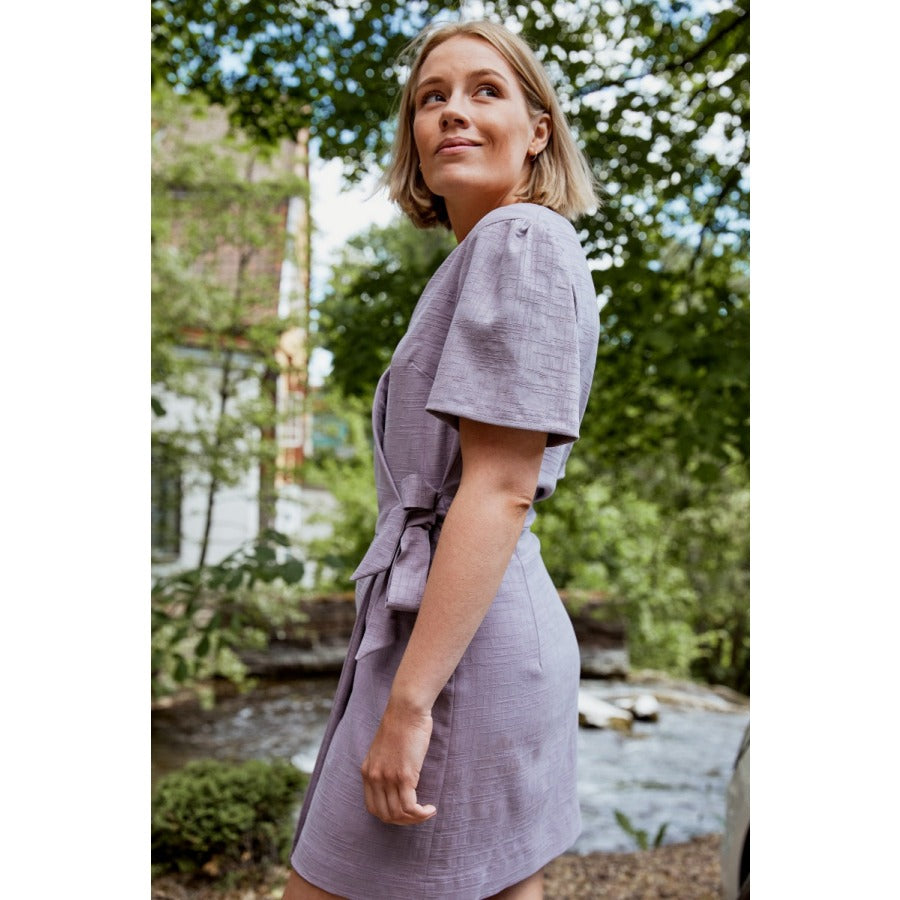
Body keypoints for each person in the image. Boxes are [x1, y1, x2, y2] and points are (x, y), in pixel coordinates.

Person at [283, 19, 600, 900]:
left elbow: (499, 490)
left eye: (484, 91)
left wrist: (412, 703)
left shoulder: (521, 243)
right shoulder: (484, 256)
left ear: (538, 131)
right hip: (457, 627)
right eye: (432, 98)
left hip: (457, 648)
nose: (452, 112)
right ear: (414, 139)